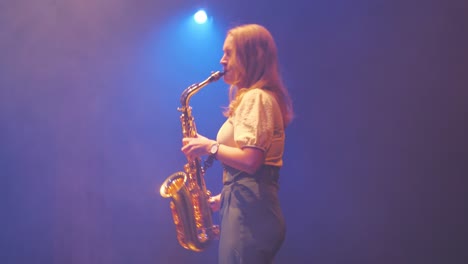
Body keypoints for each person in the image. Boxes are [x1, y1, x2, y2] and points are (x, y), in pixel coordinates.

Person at [181, 24, 294, 264]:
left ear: (252, 56)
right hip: (246, 208)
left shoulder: (257, 97)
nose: (222, 60)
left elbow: (252, 161)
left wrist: (209, 147)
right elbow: (256, 174)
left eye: (229, 53)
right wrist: (224, 198)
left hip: (250, 215)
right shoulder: (254, 98)